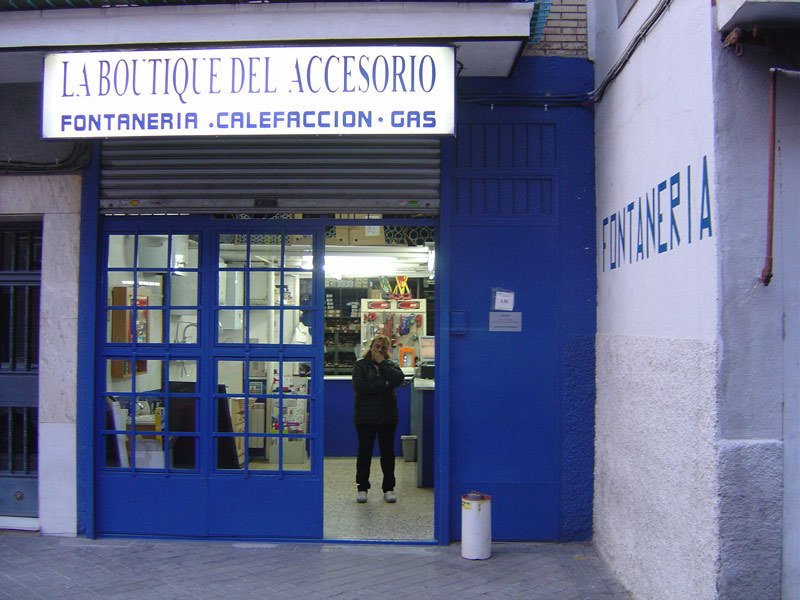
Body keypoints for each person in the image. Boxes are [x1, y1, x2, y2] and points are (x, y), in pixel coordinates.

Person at [351, 334, 406, 503]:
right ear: (371, 346)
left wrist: (383, 363)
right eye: (377, 346)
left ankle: (389, 488)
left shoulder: (389, 365)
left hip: (387, 416)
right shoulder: (360, 365)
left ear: (387, 350)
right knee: (364, 453)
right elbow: (361, 387)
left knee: (388, 454)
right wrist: (385, 385)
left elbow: (398, 379)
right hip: (365, 416)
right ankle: (362, 488)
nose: (379, 350)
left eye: (383, 347)